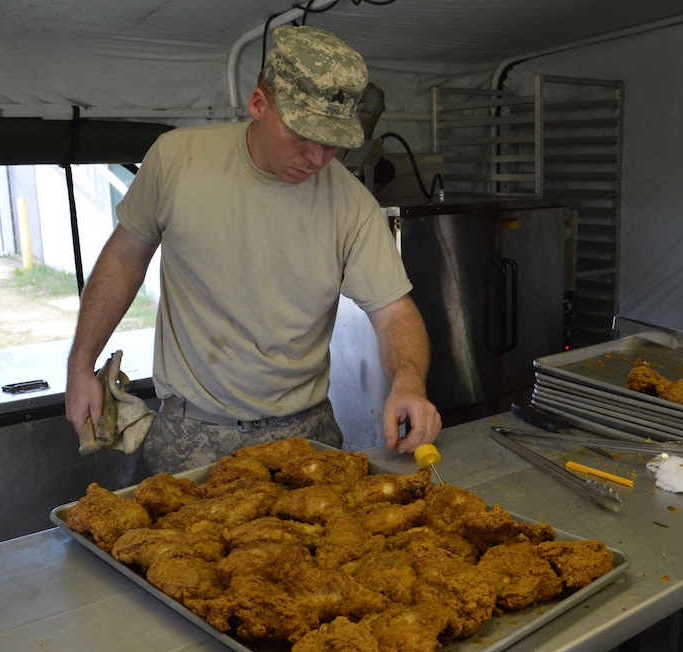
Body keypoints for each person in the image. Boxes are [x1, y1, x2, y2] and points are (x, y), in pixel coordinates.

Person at [66, 25, 441, 474]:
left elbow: (394, 312)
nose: (317, 158)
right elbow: (124, 260)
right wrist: (81, 364)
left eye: (332, 141)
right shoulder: (177, 161)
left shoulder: (351, 203)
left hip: (308, 437)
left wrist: (409, 384)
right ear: (259, 105)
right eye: (302, 134)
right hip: (194, 434)